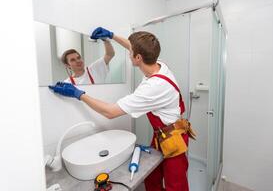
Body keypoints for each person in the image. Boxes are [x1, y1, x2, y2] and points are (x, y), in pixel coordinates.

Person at [49, 27, 190, 191]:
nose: (128, 53)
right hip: (161, 134)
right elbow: (132, 47)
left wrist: (78, 94)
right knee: (152, 179)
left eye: (131, 52)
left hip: (174, 138)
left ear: (138, 58)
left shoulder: (154, 87)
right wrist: (112, 36)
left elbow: (110, 112)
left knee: (176, 185)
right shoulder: (159, 65)